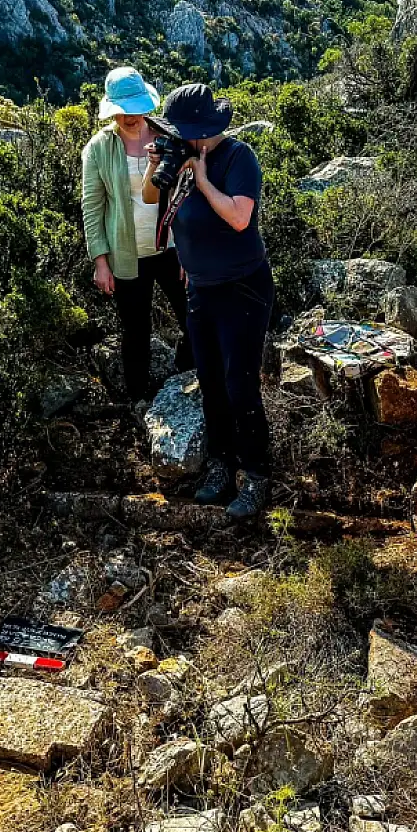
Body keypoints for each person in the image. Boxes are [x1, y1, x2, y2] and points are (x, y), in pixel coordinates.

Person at [144, 83, 273, 519]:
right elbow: (150, 197)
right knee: (210, 382)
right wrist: (158, 166)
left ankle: (256, 475)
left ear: (202, 130)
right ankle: (221, 466)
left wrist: (201, 180)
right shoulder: (179, 155)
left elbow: (239, 217)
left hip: (243, 287)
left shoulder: (238, 158)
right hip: (200, 288)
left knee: (240, 384)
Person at [80, 66, 192, 402]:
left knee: (194, 318)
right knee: (136, 330)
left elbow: (189, 193)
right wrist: (100, 262)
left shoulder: (168, 136)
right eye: (123, 110)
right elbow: (92, 206)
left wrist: (191, 250)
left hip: (172, 247)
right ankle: (137, 400)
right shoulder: (99, 148)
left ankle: (190, 379)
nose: (131, 117)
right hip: (127, 253)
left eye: (136, 109)